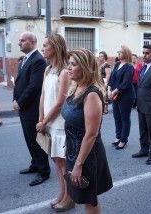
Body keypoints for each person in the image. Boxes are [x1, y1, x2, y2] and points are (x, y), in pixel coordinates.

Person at [61, 48, 113, 214]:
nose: (69, 67)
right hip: (74, 151)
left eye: (74, 64)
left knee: (89, 199)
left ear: (85, 67)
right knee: (84, 197)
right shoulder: (76, 87)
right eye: (69, 63)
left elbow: (91, 134)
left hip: (87, 155)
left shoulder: (91, 94)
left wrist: (78, 165)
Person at [35, 33, 74, 211]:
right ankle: (62, 193)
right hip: (48, 122)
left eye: (45, 45)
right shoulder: (47, 69)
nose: (42, 48)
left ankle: (69, 197)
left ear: (55, 48)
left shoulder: (65, 71)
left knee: (63, 163)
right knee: (56, 162)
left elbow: (60, 103)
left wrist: (45, 121)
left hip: (59, 124)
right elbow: (43, 95)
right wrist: (40, 119)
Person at [13, 31, 50, 186]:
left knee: (37, 140)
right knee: (29, 139)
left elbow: (34, 86)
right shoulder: (25, 60)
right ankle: (35, 164)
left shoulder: (38, 60)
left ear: (31, 42)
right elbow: (20, 82)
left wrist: (19, 102)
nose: (19, 43)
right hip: (24, 108)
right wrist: (15, 99)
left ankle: (43, 171)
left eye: (22, 40)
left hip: (32, 108)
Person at [132, 44, 151, 165]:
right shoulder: (143, 68)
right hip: (141, 104)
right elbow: (140, 85)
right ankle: (144, 149)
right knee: (142, 129)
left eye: (147, 53)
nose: (144, 55)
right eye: (143, 53)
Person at [108, 46, 135, 149]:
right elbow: (111, 79)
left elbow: (125, 83)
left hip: (125, 96)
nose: (118, 53)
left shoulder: (129, 67)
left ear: (126, 53)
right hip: (115, 95)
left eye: (120, 52)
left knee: (124, 118)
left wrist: (113, 92)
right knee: (116, 116)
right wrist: (109, 89)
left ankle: (123, 139)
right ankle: (118, 136)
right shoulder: (117, 64)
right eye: (118, 52)